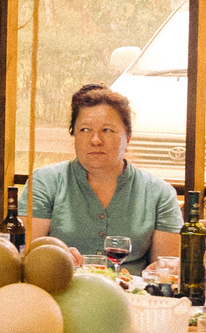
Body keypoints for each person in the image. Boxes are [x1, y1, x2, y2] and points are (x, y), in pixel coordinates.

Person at [22, 84, 182, 274]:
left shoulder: (159, 193)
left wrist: (162, 271)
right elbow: (25, 256)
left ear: (128, 138)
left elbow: (166, 268)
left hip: (132, 291)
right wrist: (53, 257)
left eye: (107, 130)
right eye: (85, 130)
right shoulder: (44, 182)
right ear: (74, 135)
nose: (95, 140)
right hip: (62, 286)